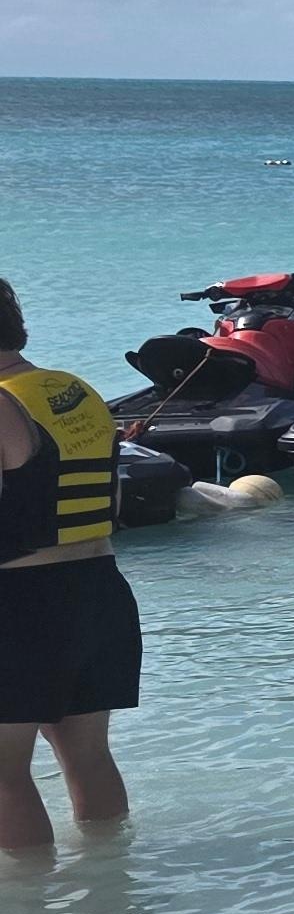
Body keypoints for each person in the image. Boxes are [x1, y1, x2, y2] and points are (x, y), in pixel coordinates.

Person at [0, 276, 138, 853]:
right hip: (98, 590)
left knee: (3, 776)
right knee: (86, 754)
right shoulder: (74, 390)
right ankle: (112, 885)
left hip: (21, 604)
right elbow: (110, 503)